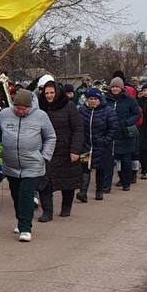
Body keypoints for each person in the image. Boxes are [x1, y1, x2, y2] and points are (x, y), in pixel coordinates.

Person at [0, 88, 55, 243]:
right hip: (11, 164)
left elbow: (50, 137)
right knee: (16, 195)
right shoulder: (4, 114)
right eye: (18, 108)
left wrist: (44, 156)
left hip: (33, 164)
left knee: (26, 195)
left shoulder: (41, 116)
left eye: (24, 109)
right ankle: (21, 220)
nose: (20, 112)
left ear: (30, 107)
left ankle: (26, 228)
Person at [36, 78, 83, 222]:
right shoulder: (40, 108)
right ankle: (47, 212)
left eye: (51, 92)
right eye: (46, 93)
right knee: (44, 183)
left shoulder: (69, 106)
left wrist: (75, 149)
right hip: (47, 151)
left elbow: (78, 129)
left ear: (57, 92)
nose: (49, 95)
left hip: (66, 150)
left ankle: (66, 208)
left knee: (67, 181)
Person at [80, 88, 118, 201]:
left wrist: (106, 141)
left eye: (95, 99)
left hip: (101, 145)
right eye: (90, 99)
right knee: (84, 168)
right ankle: (83, 192)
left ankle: (99, 191)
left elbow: (113, 127)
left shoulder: (108, 111)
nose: (93, 101)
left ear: (100, 99)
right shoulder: (82, 110)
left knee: (100, 168)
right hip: (86, 145)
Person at [109, 77, 141, 190]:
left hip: (125, 133)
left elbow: (137, 114)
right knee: (115, 160)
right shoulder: (106, 99)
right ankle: (120, 179)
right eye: (113, 87)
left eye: (117, 87)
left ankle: (127, 182)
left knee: (126, 159)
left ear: (121, 88)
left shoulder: (129, 100)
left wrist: (127, 123)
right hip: (112, 133)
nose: (114, 89)